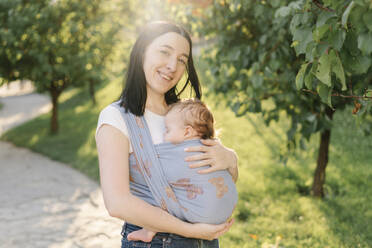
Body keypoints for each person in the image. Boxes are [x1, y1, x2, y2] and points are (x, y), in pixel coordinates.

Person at [95, 21, 239, 248]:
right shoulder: (117, 118)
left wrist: (230, 159)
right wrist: (189, 230)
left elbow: (208, 181)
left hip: (207, 241)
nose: (173, 66)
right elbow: (117, 203)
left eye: (182, 60)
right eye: (164, 52)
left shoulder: (185, 114)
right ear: (142, 52)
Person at [126, 98, 238, 243]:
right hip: (225, 211)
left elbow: (142, 166)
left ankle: (150, 229)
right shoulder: (214, 148)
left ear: (187, 132)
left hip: (203, 214)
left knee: (159, 189)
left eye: (167, 130)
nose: (164, 136)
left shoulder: (182, 152)